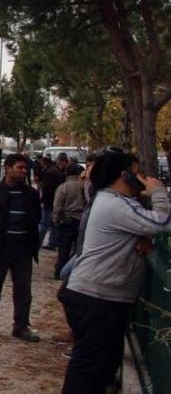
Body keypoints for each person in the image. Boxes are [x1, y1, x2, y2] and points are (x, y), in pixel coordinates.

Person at [61, 147, 168, 394]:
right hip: (96, 298)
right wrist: (159, 192)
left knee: (100, 367)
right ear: (124, 176)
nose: (142, 179)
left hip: (102, 296)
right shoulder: (114, 204)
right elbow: (162, 222)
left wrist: (142, 239)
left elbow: (145, 227)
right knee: (89, 367)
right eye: (137, 173)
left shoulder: (115, 202)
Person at [0, 153, 41, 342]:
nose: (24, 171)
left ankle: (21, 327)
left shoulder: (31, 195)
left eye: (25, 168)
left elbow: (35, 218)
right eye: (20, 167)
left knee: (23, 291)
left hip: (23, 251)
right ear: (8, 168)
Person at [53, 163, 86, 280]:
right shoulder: (85, 186)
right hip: (81, 221)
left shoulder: (64, 187)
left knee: (63, 250)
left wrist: (56, 220)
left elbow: (57, 205)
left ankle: (59, 272)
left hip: (66, 221)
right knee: (78, 251)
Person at [39, 153, 67, 249]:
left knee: (46, 223)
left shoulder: (51, 171)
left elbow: (46, 188)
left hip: (50, 201)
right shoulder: (56, 171)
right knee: (51, 223)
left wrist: (43, 200)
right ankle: (50, 242)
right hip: (53, 201)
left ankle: (42, 242)